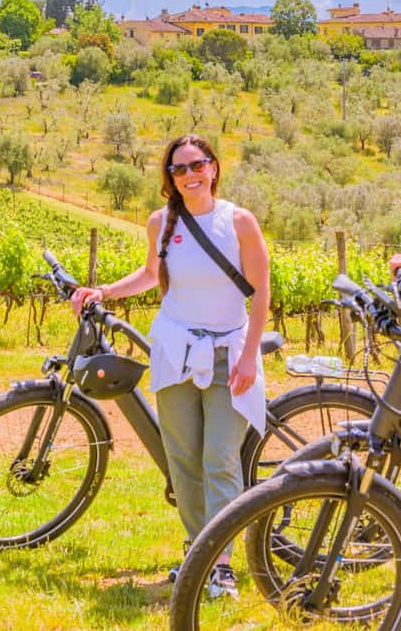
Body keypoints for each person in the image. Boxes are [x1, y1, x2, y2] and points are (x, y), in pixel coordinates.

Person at [71, 134, 270, 599]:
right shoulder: (162, 223)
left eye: (197, 165)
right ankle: (197, 549)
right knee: (182, 459)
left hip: (228, 352)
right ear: (170, 178)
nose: (189, 175)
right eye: (178, 170)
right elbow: (149, 275)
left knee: (219, 457)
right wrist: (104, 291)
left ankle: (219, 565)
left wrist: (248, 356)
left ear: (214, 168)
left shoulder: (238, 221)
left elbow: (261, 292)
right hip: (176, 350)